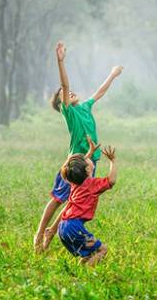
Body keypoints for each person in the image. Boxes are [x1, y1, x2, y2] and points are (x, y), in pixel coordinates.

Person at [34, 41, 123, 253]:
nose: (69, 92)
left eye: (71, 92)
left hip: (91, 161)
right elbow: (65, 86)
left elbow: (99, 92)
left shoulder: (84, 107)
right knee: (58, 199)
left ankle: (53, 230)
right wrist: (60, 61)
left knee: (77, 198)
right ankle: (39, 233)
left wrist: (112, 75)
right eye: (64, 95)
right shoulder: (69, 112)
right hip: (75, 163)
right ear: (61, 103)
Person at [58, 141, 117, 267]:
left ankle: (79, 274)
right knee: (102, 250)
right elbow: (111, 181)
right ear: (87, 169)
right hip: (74, 228)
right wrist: (112, 161)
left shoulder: (75, 181)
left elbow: (80, 164)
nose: (88, 159)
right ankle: (88, 275)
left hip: (63, 227)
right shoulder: (92, 184)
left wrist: (90, 152)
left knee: (88, 254)